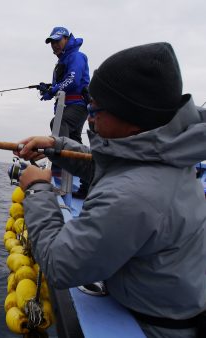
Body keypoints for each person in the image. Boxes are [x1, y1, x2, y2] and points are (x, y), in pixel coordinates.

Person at [15, 42, 206, 338]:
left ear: (133, 122)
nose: (90, 116)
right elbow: (115, 168)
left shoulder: (132, 195)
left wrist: (38, 189)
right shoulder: (170, 156)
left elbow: (59, 265)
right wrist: (57, 147)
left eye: (97, 109)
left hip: (153, 327)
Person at [39, 26, 90, 198]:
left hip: (78, 105)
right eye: (51, 42)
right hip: (68, 106)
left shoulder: (76, 56)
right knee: (74, 141)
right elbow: (61, 85)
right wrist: (48, 90)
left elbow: (73, 80)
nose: (54, 45)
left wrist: (54, 89)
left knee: (59, 123)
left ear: (67, 39)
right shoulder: (61, 62)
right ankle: (87, 184)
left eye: (58, 40)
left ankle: (60, 166)